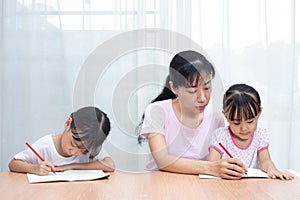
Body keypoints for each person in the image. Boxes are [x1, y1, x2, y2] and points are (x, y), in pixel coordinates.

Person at [139, 50, 248, 179]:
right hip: (161, 183)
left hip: (201, 185)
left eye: (207, 88)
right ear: (174, 88)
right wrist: (211, 167)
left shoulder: (216, 118)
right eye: (192, 91)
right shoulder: (157, 111)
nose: (202, 98)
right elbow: (163, 160)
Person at [208, 83, 294, 180]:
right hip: (225, 186)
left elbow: (265, 161)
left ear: (259, 113)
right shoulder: (221, 136)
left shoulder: (260, 135)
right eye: (236, 123)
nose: (244, 128)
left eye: (250, 121)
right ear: (226, 116)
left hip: (253, 187)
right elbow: (211, 165)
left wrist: (272, 169)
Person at [9, 106, 115, 175]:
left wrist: (70, 166)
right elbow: (13, 164)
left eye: (83, 151)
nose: (75, 152)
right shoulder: (45, 146)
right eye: (73, 144)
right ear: (68, 123)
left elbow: (110, 165)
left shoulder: (89, 144)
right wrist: (35, 168)